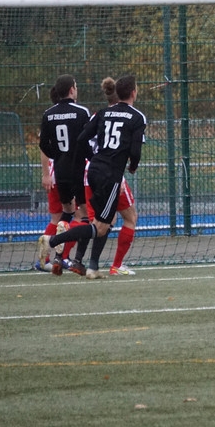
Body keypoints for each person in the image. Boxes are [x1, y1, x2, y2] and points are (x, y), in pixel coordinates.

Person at [47, 75, 146, 279]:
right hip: (110, 175)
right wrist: (132, 166)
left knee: (102, 223)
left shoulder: (102, 113)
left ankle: (92, 267)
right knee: (100, 227)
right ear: (134, 93)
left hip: (92, 171)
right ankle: (54, 242)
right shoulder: (137, 117)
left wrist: (95, 159)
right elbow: (135, 152)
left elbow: (82, 138)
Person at [36, 76, 91, 275]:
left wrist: (57, 155)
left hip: (59, 171)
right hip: (78, 170)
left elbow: (43, 145)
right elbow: (88, 139)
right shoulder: (82, 112)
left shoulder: (48, 114)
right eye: (76, 86)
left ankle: (58, 256)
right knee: (85, 217)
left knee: (66, 213)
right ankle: (73, 258)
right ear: (71, 90)